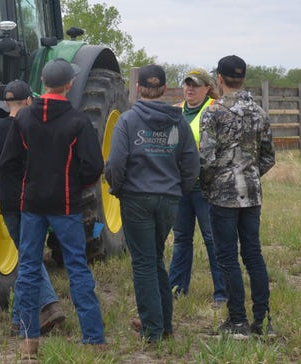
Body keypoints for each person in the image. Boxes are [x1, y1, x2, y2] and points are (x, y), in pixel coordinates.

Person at [0, 58, 106, 361]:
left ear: (43, 83)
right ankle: (94, 339)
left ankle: (29, 342)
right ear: (69, 84)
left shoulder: (23, 119)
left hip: (32, 204)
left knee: (29, 270)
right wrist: (76, 185)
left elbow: (8, 162)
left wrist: (31, 178)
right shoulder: (78, 121)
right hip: (66, 204)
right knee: (77, 268)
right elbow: (94, 167)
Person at [104, 64, 199, 343]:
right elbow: (192, 164)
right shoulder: (178, 121)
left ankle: (152, 331)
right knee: (155, 259)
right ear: (165, 89)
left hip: (136, 198)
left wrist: (117, 187)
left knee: (144, 263)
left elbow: (116, 162)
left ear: (138, 88)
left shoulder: (128, 121)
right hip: (169, 200)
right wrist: (177, 190)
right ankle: (164, 325)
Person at [0, 80, 65, 337]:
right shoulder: (35, 127)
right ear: (29, 100)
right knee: (29, 258)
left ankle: (23, 318)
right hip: (33, 200)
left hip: (8, 201)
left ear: (6, 102)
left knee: (26, 257)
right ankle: (48, 306)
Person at [199, 55, 276, 339]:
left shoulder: (214, 112)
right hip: (252, 194)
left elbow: (205, 158)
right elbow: (268, 156)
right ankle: (261, 320)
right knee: (253, 254)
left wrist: (210, 184)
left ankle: (238, 321)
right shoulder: (259, 111)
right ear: (242, 78)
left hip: (223, 195)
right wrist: (250, 174)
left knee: (228, 257)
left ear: (219, 79)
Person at [168, 68, 227, 306]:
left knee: (213, 240)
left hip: (205, 188)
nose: (190, 88)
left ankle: (222, 293)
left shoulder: (215, 109)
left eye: (196, 85)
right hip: (180, 188)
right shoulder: (175, 111)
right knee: (181, 239)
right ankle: (176, 288)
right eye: (187, 84)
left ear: (207, 88)